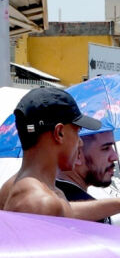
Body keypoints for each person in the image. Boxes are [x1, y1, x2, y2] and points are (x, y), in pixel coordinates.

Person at [0, 87, 101, 216]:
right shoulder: (41, 202)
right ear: (59, 133)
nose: (80, 142)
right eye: (77, 131)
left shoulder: (11, 188)